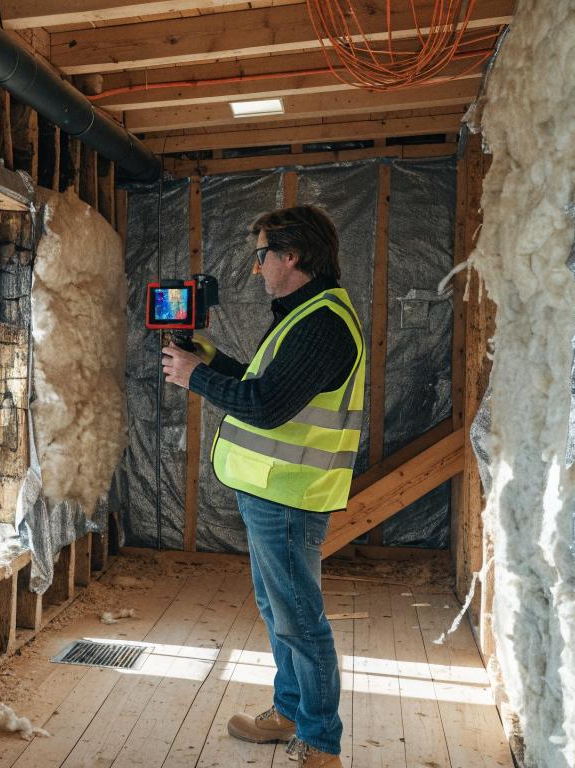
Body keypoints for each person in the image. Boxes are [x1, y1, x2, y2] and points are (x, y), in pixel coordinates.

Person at [160, 205, 365, 768]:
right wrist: (212, 359)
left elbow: (269, 407)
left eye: (261, 255)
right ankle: (290, 712)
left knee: (299, 618)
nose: (257, 268)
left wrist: (194, 377)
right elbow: (267, 383)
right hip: (271, 492)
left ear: (290, 256)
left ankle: (321, 743)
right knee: (280, 611)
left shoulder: (322, 323)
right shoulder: (303, 314)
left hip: (290, 496)